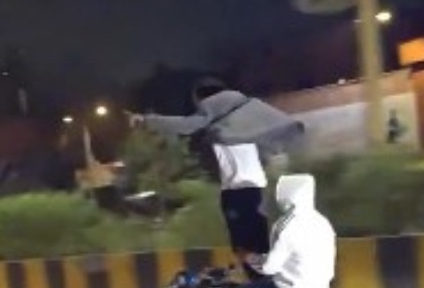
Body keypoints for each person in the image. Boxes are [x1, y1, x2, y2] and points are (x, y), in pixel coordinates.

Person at [129, 78, 303, 277]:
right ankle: (265, 283)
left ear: (205, 99)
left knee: (243, 247)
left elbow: (186, 125)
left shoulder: (216, 111)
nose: (200, 110)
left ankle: (256, 285)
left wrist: (146, 120)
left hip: (237, 190)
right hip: (256, 188)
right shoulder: (244, 117)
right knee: (259, 244)